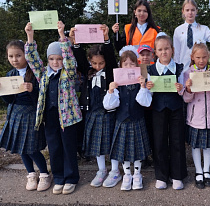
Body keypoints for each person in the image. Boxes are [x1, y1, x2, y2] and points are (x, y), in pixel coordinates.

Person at [24, 21, 82, 195]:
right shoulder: (43, 74)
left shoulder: (69, 73)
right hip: (49, 117)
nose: (56, 62)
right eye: (52, 59)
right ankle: (58, 177)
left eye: (59, 59)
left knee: (68, 147)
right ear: (47, 59)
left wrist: (62, 35)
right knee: (54, 147)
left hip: (68, 118)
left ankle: (71, 178)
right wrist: (30, 35)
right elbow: (32, 58)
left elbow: (70, 58)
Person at [70, 25, 118, 188]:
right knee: (98, 144)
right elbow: (80, 59)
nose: (98, 66)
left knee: (111, 143)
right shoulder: (87, 71)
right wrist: (75, 43)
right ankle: (101, 170)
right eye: (95, 63)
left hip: (108, 113)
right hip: (92, 114)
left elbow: (111, 57)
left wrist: (106, 39)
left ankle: (115, 171)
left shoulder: (110, 71)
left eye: (101, 63)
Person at [0, 40, 51, 192]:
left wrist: (32, 91)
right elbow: (10, 100)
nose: (14, 59)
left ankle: (44, 174)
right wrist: (3, 92)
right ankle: (30, 173)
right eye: (11, 56)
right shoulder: (10, 74)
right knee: (21, 148)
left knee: (31, 148)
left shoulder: (35, 72)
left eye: (18, 55)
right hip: (15, 114)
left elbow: (41, 99)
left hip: (30, 114)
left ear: (26, 55)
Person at [103, 47, 151, 191]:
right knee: (123, 150)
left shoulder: (140, 82)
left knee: (136, 149)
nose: (129, 67)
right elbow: (109, 106)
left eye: (132, 64)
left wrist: (143, 87)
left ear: (136, 66)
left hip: (137, 120)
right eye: (125, 64)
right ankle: (127, 174)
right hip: (122, 121)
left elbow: (145, 102)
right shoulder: (117, 84)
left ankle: (137, 174)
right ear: (121, 66)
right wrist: (111, 90)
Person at [146, 35, 187, 190]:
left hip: (176, 109)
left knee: (177, 141)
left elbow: (184, 90)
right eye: (160, 49)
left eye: (167, 48)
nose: (164, 52)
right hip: (158, 109)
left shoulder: (179, 68)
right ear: (155, 52)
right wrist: (148, 88)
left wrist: (181, 88)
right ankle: (161, 176)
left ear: (172, 50)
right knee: (160, 141)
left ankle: (177, 175)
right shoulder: (151, 69)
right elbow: (147, 95)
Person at [183, 43, 210, 189]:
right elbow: (186, 99)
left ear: (208, 56)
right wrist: (188, 88)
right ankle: (198, 171)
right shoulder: (187, 73)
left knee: (208, 146)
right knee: (195, 145)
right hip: (195, 118)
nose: (201, 60)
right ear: (192, 57)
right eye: (198, 57)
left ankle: (206, 171)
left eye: (204, 57)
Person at [173, 0, 210, 72]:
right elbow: (176, 53)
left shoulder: (203, 29)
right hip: (183, 69)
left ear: (196, 11)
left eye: (192, 10)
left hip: (200, 70)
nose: (190, 13)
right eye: (187, 10)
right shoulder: (178, 30)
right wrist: (177, 70)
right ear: (183, 11)